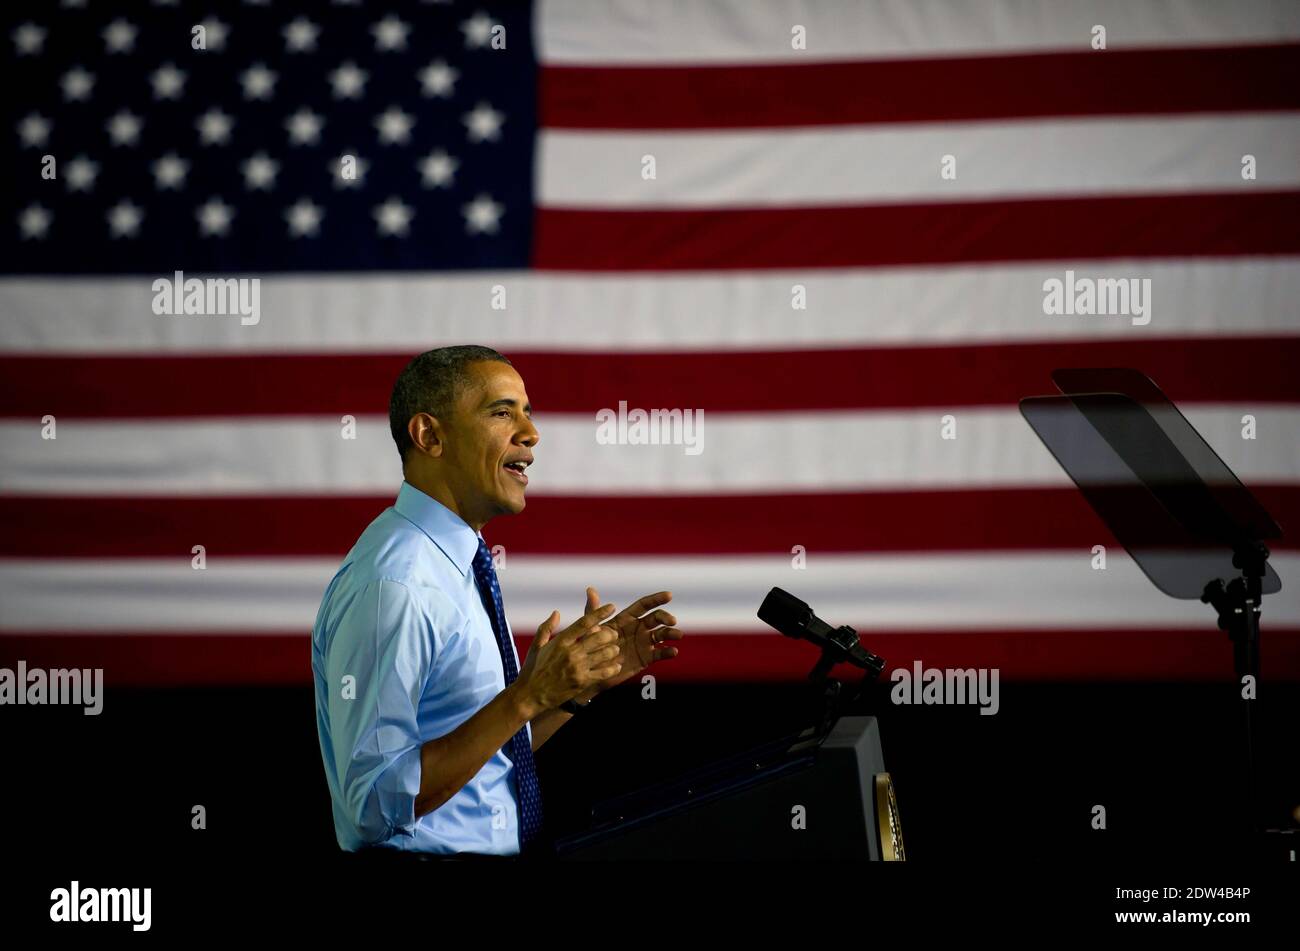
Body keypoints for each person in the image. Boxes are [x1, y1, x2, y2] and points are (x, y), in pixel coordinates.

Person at [312, 345, 683, 858]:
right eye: (503, 411)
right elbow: (374, 804)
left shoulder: (457, 563)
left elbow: (486, 759)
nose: (531, 434)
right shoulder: (395, 584)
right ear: (430, 436)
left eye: (527, 413)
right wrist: (526, 695)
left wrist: (570, 692)